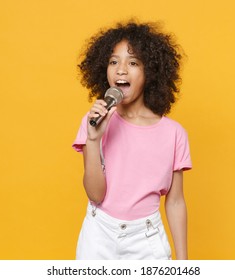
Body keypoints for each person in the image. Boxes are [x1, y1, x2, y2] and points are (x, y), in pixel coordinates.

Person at [72, 20, 192, 260]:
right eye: (113, 61)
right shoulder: (94, 121)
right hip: (98, 234)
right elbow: (95, 195)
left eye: (133, 62)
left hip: (147, 240)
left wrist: (183, 262)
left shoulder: (173, 133)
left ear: (151, 72)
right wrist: (93, 141)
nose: (121, 70)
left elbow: (176, 202)